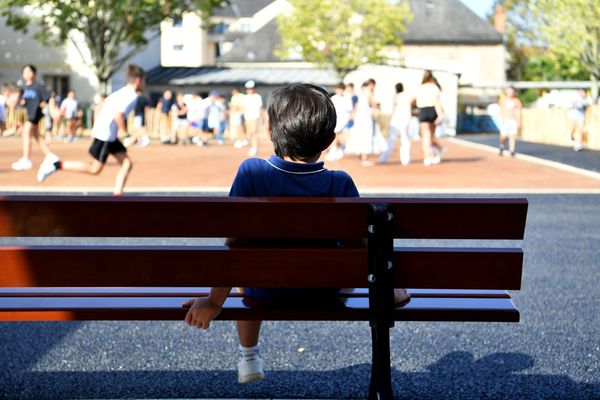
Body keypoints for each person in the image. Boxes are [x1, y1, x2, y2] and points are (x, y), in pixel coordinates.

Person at [182, 83, 410, 384]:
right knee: (352, 260)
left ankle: (248, 355)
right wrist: (387, 291)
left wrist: (213, 301)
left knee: (244, 271)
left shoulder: (251, 173)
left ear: (268, 129)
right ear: (330, 139)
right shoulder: (340, 182)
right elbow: (359, 248)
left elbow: (235, 245)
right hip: (325, 290)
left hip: (263, 290)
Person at [36, 64, 146, 196]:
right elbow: (118, 116)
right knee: (95, 169)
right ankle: (56, 164)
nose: (144, 84)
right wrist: (127, 134)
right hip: (106, 136)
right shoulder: (131, 95)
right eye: (144, 81)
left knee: (127, 163)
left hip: (108, 136)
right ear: (138, 80)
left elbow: (101, 106)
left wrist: (95, 127)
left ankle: (118, 195)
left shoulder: (121, 92)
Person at [11, 65, 56, 171]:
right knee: (37, 136)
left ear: (34, 73)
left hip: (35, 114)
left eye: (29, 71)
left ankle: (26, 159)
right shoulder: (25, 88)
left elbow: (49, 97)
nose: (27, 74)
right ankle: (50, 156)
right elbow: (24, 102)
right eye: (24, 72)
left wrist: (52, 108)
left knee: (26, 132)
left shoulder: (38, 86)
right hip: (29, 113)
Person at [345, 81, 387, 166]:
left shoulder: (359, 95)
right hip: (366, 119)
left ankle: (362, 158)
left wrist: (352, 116)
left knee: (361, 137)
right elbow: (374, 104)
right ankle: (364, 158)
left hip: (359, 119)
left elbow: (356, 107)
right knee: (366, 137)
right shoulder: (368, 93)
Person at [414, 70, 444, 166]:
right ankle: (434, 153)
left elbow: (414, 100)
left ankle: (428, 157)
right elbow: (436, 102)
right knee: (431, 135)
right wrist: (440, 114)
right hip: (432, 110)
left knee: (426, 136)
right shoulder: (434, 87)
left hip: (423, 111)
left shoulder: (419, 88)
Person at [379, 82, 413, 165]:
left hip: (395, 120)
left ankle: (383, 158)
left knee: (391, 139)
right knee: (405, 140)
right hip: (404, 120)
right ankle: (405, 160)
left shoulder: (395, 97)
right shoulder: (405, 96)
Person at [325, 83, 352, 161]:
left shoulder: (347, 98)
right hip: (336, 119)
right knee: (336, 135)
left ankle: (335, 150)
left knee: (338, 135)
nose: (340, 91)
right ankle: (336, 150)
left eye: (341, 89)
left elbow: (350, 109)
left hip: (344, 120)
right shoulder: (334, 98)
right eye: (338, 89)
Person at [498, 87, 522, 157]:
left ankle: (512, 150)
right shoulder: (503, 100)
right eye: (509, 91)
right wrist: (502, 118)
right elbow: (501, 109)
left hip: (513, 120)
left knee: (512, 135)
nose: (510, 93)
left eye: (511, 91)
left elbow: (518, 111)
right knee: (504, 135)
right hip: (505, 120)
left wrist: (519, 121)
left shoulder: (516, 101)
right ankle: (501, 145)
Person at [242, 80, 264, 156]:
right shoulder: (245, 97)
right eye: (248, 88)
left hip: (255, 117)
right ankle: (253, 147)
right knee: (250, 133)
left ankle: (255, 148)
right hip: (247, 117)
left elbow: (260, 108)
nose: (250, 90)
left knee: (254, 132)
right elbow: (244, 108)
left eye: (251, 88)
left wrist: (262, 118)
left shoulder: (257, 97)